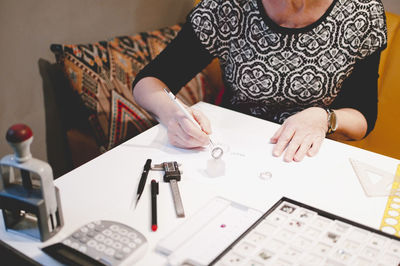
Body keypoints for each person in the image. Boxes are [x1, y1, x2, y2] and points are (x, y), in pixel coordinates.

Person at [132, 0, 387, 162]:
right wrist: (173, 116)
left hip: (304, 159)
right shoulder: (230, 6)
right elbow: (149, 81)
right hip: (230, 152)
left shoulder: (361, 12)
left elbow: (363, 115)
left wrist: (325, 117)